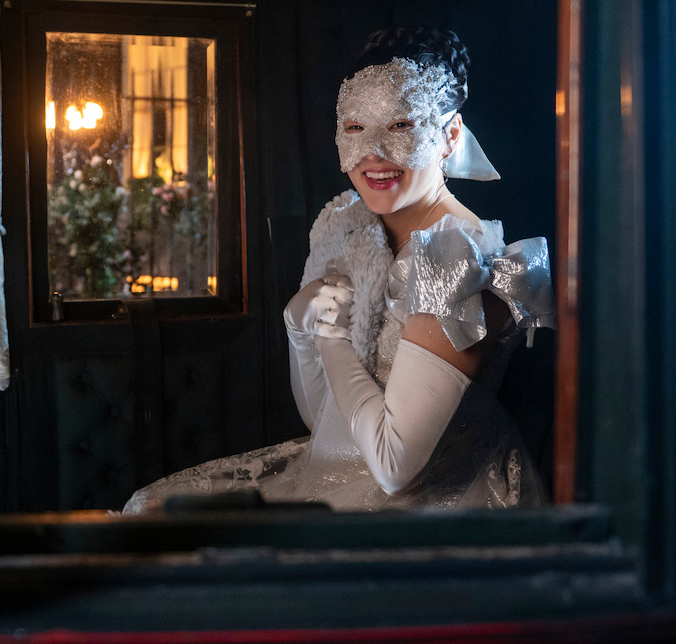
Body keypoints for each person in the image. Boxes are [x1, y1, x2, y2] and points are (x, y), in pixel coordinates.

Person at [123, 26, 554, 513]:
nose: (373, 153)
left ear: (450, 134)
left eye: (399, 126)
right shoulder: (350, 228)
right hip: (344, 476)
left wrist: (329, 341)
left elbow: (394, 468)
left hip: (434, 510)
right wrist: (299, 331)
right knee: (151, 510)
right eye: (355, 127)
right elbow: (324, 424)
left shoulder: (456, 261)